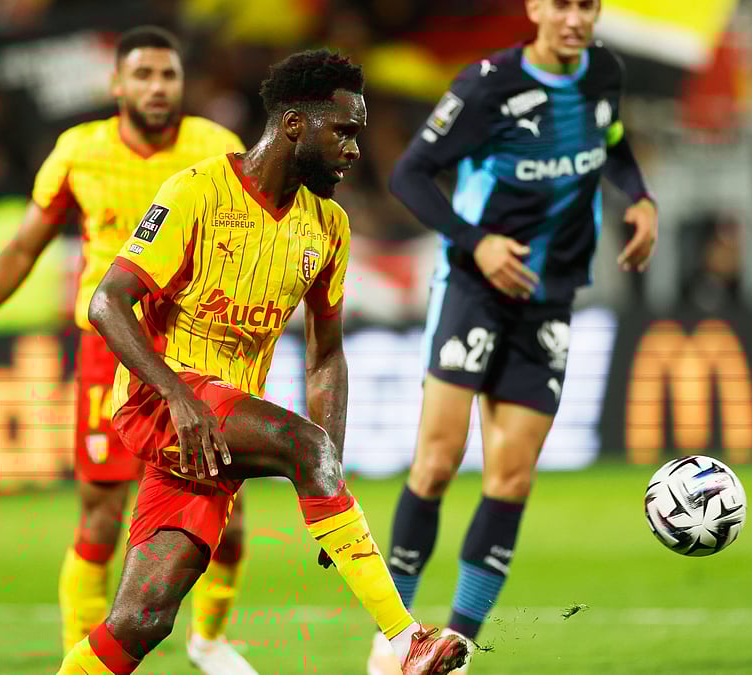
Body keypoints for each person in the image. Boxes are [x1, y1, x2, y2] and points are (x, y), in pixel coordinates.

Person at [56, 48, 469, 675]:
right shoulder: (195, 192)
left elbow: (326, 357)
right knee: (301, 444)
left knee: (142, 620)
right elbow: (107, 304)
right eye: (345, 132)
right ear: (296, 126)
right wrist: (176, 394)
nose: (355, 150)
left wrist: (329, 476)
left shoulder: (328, 226)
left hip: (212, 435)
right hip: (163, 400)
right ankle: (403, 640)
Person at [0, 26, 257, 674]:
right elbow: (24, 246)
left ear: (182, 84)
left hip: (196, 347)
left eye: (167, 75)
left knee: (230, 507)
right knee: (102, 510)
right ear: (116, 84)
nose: (156, 88)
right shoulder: (78, 151)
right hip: (108, 347)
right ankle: (80, 657)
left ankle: (211, 640)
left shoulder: (217, 149)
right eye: (142, 76)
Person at [370, 0, 657, 670]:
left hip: (550, 300)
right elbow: (408, 173)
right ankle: (393, 637)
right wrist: (478, 244)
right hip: (474, 290)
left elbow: (611, 142)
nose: (574, 18)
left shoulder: (601, 75)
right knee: (436, 463)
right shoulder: (488, 84)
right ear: (533, 7)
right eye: (560, 4)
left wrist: (638, 195)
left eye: (587, 5)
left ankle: (457, 645)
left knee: (512, 477)